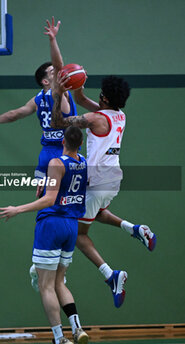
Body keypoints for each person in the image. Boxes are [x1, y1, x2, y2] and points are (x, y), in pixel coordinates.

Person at [31, 17, 156, 309]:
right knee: (95, 213)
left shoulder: (94, 118)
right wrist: (77, 86)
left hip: (97, 178)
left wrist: (59, 91)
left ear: (104, 96)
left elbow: (61, 122)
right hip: (111, 181)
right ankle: (134, 228)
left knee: (77, 232)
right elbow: (85, 100)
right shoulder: (117, 115)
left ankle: (111, 274)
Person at [0, 126, 89, 344]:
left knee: (46, 285)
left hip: (52, 224)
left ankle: (59, 339)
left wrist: (17, 209)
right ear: (81, 143)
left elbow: (49, 199)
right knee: (59, 281)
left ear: (62, 141)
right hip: (71, 225)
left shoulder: (56, 163)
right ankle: (78, 329)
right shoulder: (85, 162)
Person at [0, 60, 77, 197]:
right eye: (53, 72)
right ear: (45, 81)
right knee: (67, 198)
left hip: (46, 154)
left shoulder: (37, 99)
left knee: (46, 198)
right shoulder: (61, 93)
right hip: (64, 152)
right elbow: (59, 62)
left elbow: (14, 114)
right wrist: (52, 40)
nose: (58, 72)